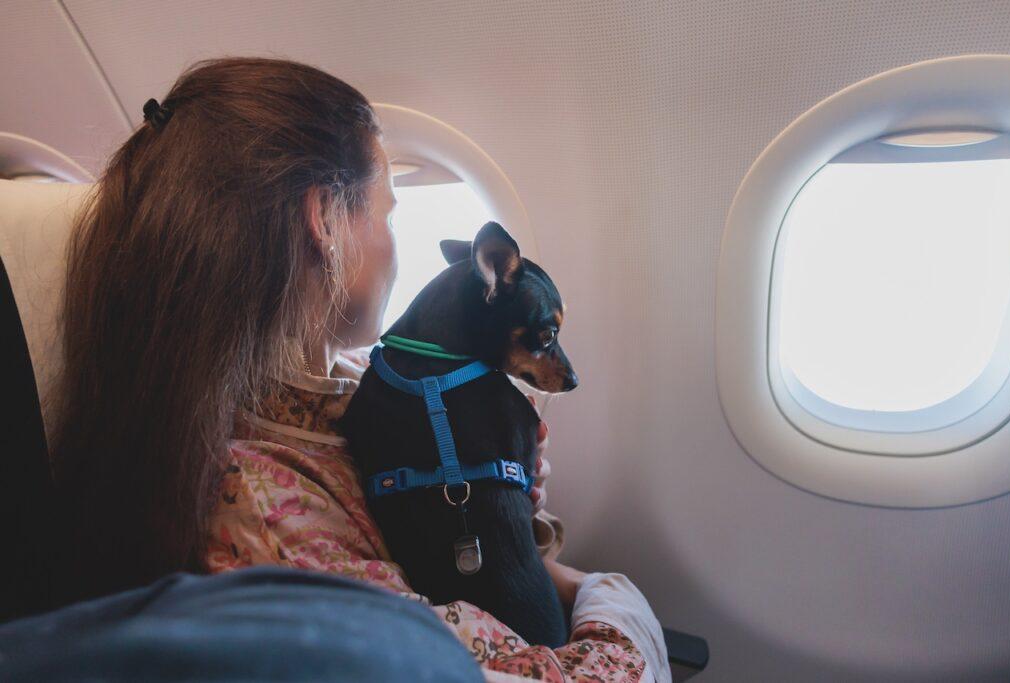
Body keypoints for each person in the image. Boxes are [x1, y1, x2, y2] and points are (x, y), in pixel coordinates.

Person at [51, 57, 669, 682]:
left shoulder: (350, 382)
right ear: (325, 220)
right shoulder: (267, 512)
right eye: (389, 211)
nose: (397, 238)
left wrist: (507, 513)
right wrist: (611, 595)